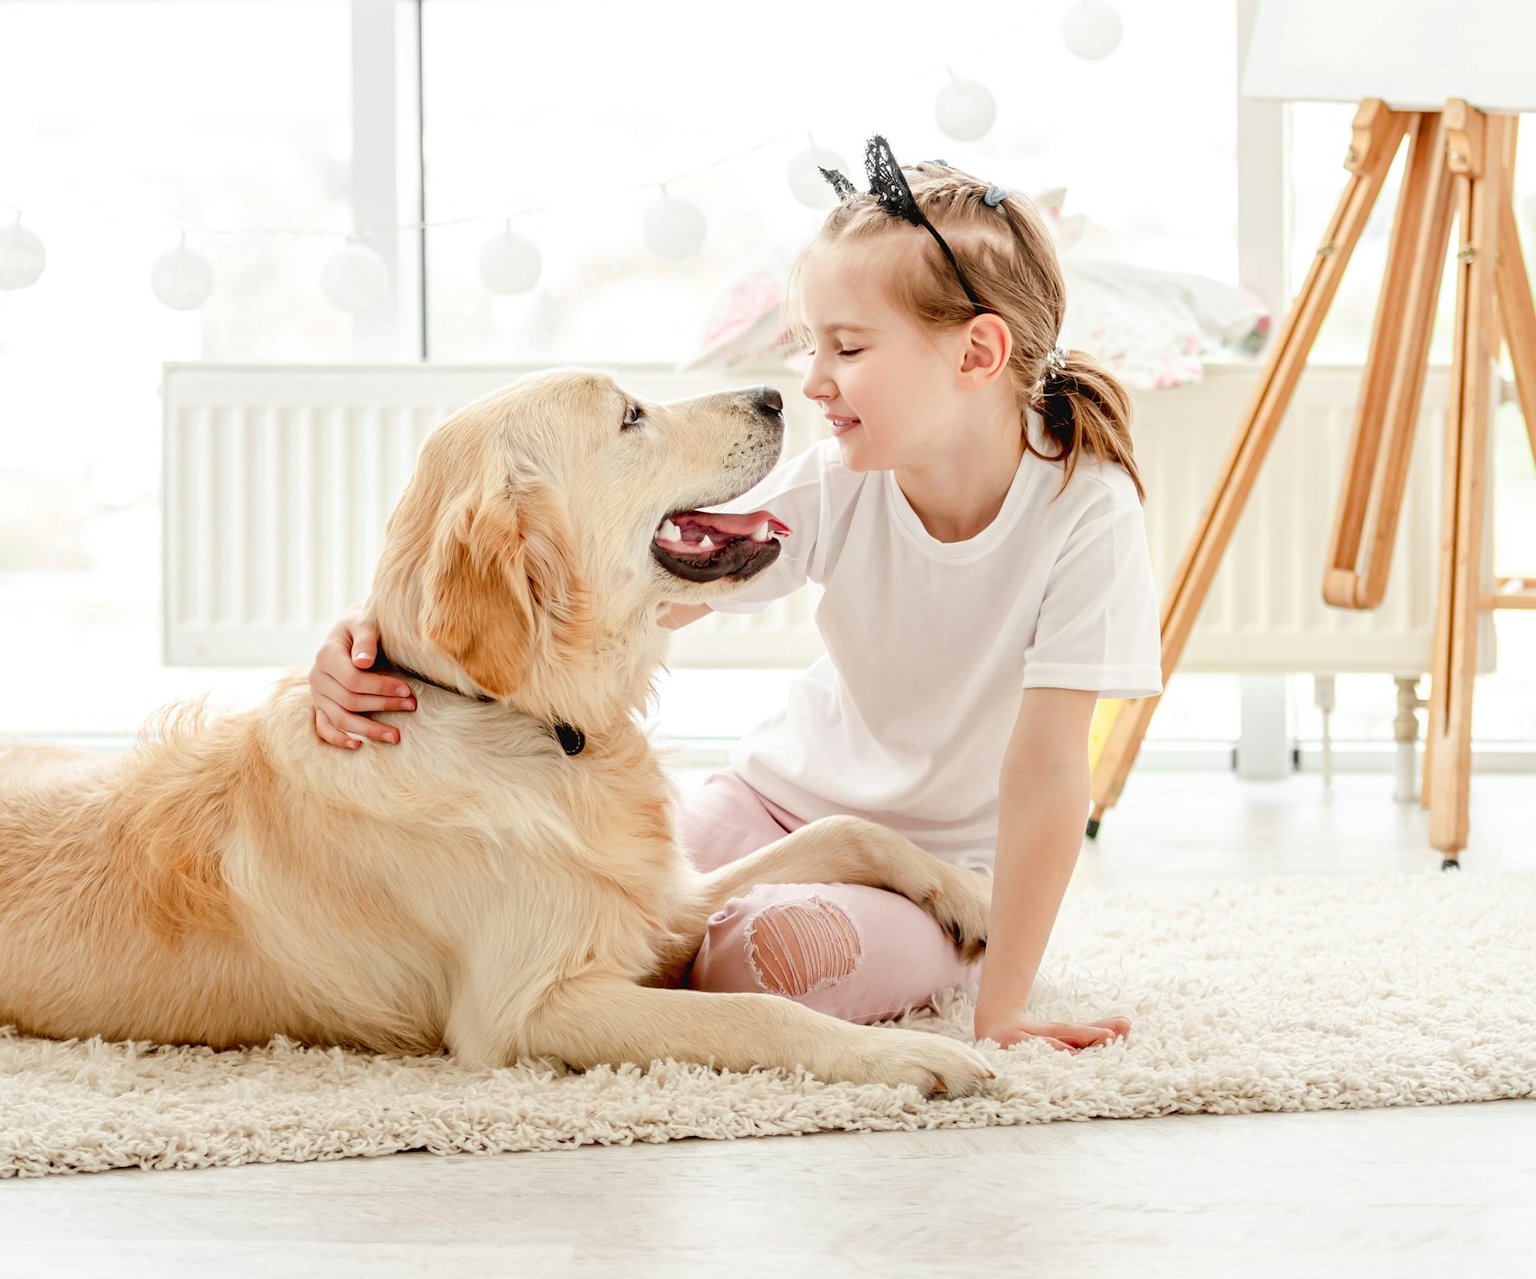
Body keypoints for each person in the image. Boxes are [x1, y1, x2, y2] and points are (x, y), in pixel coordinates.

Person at [307, 137, 1157, 1054]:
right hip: (773, 802)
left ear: (977, 353)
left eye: (849, 346)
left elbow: (1047, 775)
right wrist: (388, 632)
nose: (813, 379)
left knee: (750, 961)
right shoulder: (840, 480)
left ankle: (877, 939)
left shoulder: (1086, 514)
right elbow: (620, 582)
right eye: (809, 345)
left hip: (945, 869)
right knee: (614, 905)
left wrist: (1004, 1005)